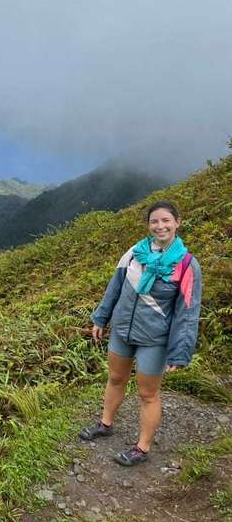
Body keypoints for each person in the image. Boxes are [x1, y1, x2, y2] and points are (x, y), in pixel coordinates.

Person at [79, 200, 202, 466]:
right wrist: (101, 317)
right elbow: (115, 287)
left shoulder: (186, 265)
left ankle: (142, 448)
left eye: (166, 221)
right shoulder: (135, 253)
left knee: (148, 394)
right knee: (115, 378)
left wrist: (179, 352)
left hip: (154, 340)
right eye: (154, 221)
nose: (160, 226)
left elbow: (187, 312)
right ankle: (105, 423)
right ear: (148, 225)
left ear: (177, 223)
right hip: (122, 331)